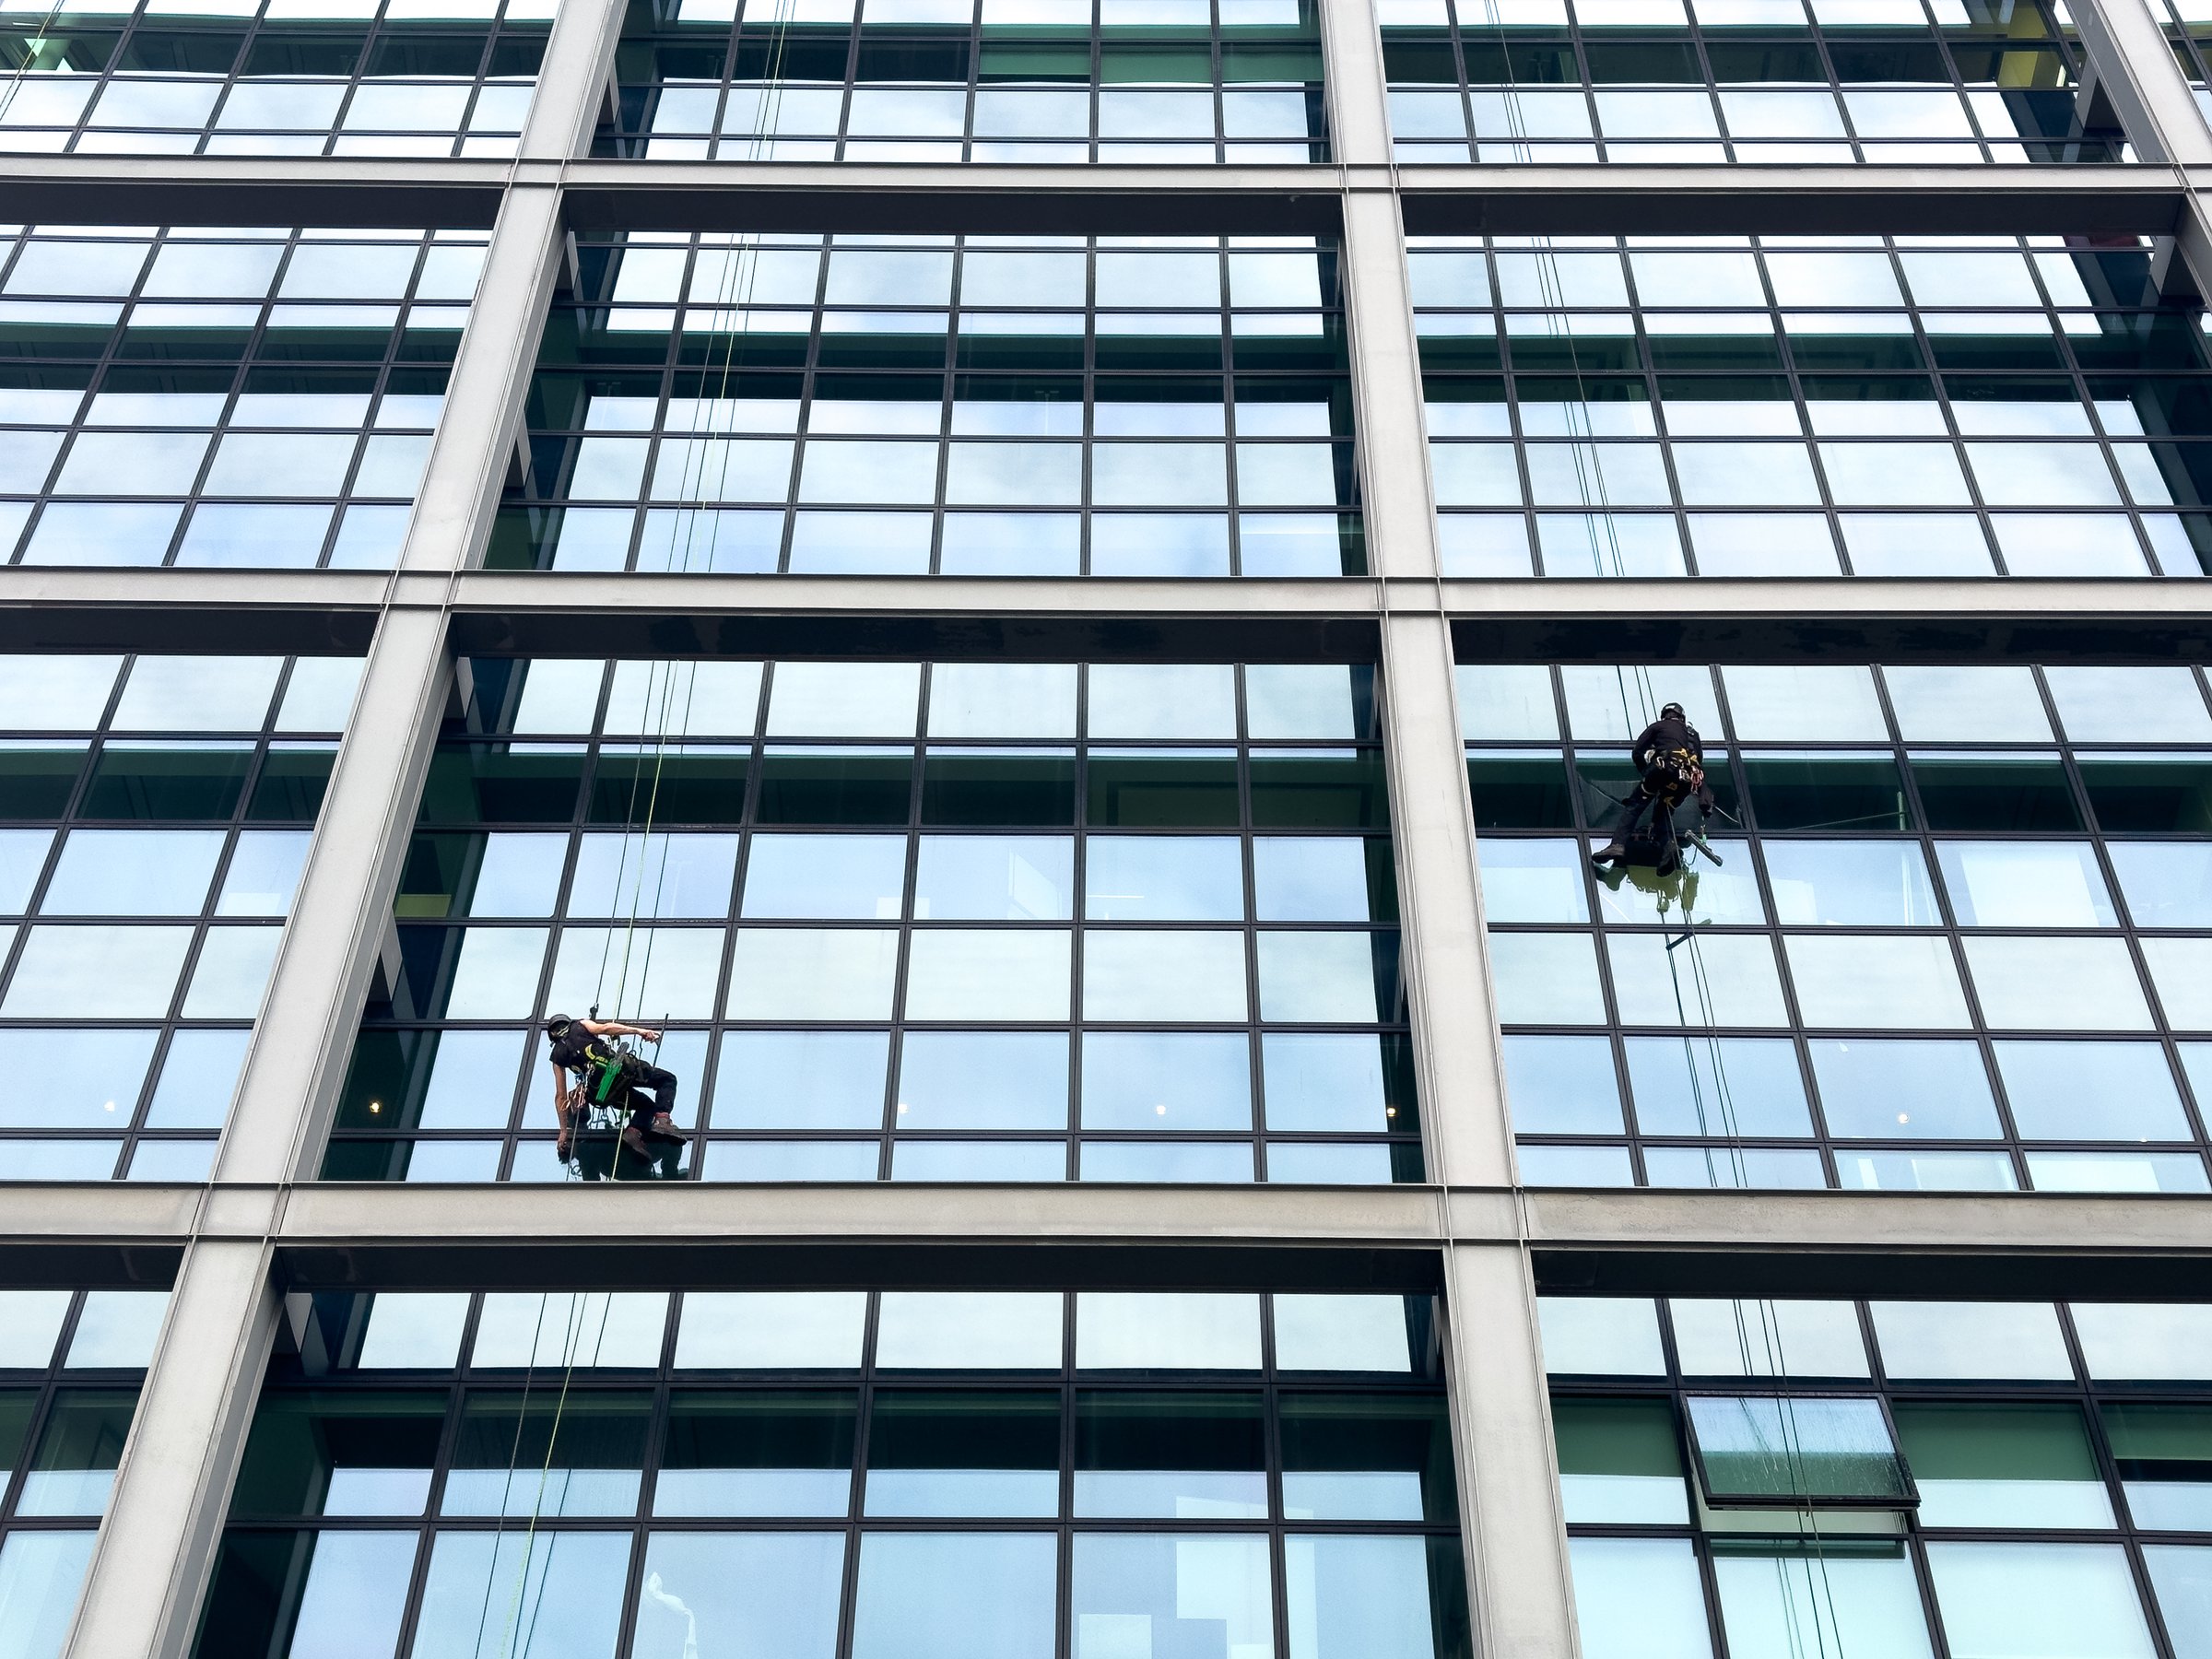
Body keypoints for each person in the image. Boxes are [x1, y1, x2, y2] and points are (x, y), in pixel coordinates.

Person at [544, 1013, 685, 1162]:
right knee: (667, 1079)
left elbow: (561, 1096)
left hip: (601, 1092)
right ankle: (662, 1121)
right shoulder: (579, 1025)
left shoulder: (557, 1057)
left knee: (647, 1106)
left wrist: (564, 1130)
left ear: (552, 1036)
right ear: (567, 1022)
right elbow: (606, 1028)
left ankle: (633, 1133)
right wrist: (639, 1031)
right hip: (619, 1071)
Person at [1593, 701, 1714, 868]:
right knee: (1663, 812)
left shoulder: (1658, 727)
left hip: (1664, 769)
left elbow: (1637, 752)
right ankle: (1668, 846)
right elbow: (1698, 760)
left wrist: (1646, 772)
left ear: (1665, 716)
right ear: (1682, 718)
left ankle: (1617, 845)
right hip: (1686, 780)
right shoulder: (1693, 735)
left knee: (1635, 805)